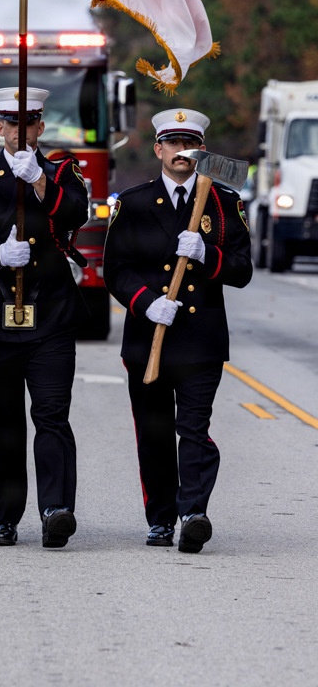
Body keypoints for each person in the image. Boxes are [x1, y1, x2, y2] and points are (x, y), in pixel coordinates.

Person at [103, 108, 252, 553]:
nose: (181, 151)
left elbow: (242, 270)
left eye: (190, 144)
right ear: (158, 149)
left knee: (193, 429)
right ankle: (161, 519)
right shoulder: (133, 203)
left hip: (201, 340)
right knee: (153, 434)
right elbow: (116, 269)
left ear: (202, 151)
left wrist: (208, 254)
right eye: (172, 143)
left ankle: (193, 513)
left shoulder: (223, 203)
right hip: (147, 339)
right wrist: (147, 303)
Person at [0, 87, 89, 549]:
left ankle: (56, 510)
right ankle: (5, 516)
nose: (20, 130)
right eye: (12, 122)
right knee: (3, 423)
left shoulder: (62, 173)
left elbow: (77, 214)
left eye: (29, 122)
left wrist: (41, 182)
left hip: (51, 317)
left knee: (52, 416)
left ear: (40, 127)